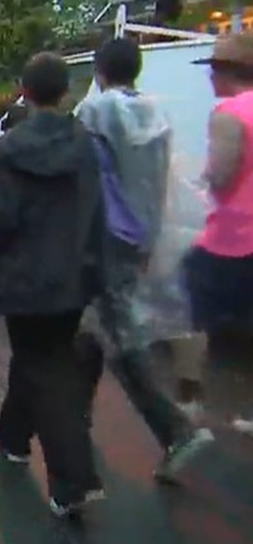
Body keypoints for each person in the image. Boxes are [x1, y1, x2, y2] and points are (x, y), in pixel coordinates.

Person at [0, 52, 104, 517]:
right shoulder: (86, 144)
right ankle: (11, 438)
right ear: (66, 92)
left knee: (46, 369)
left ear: (23, 91)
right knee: (40, 359)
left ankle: (74, 481)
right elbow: (96, 206)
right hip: (74, 273)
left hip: (25, 277)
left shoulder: (9, 149)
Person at [75, 37, 214, 479]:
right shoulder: (156, 112)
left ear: (99, 70)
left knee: (120, 338)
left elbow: (81, 176)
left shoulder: (94, 112)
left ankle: (176, 430)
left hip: (101, 237)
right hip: (139, 235)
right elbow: (160, 178)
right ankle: (75, 421)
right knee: (95, 326)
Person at [174, 30, 253, 436]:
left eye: (212, 70)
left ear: (226, 72)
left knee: (188, 311)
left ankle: (187, 404)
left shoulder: (228, 113)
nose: (208, 79)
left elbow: (221, 175)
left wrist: (200, 176)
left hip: (232, 237)